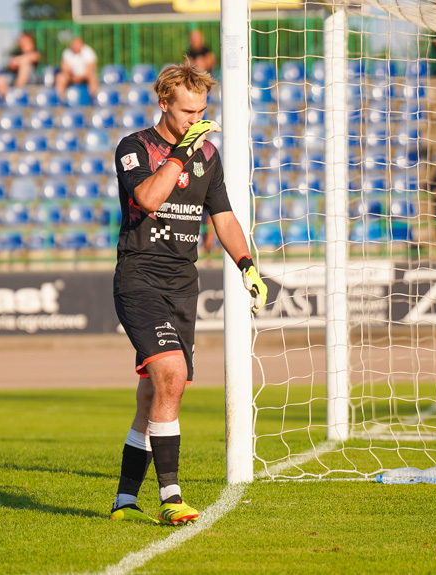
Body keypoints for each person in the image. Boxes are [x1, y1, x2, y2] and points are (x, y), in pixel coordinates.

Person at [109, 62, 267, 525]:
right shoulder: (134, 148)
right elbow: (150, 199)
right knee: (172, 373)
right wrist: (180, 151)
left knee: (152, 394)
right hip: (138, 277)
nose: (195, 120)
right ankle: (171, 497)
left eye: (202, 111)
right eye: (186, 111)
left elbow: (224, 217)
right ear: (164, 104)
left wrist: (247, 265)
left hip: (183, 283)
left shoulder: (207, 155)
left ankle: (124, 499)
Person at [0, 32, 41, 99]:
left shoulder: (35, 52)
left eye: (25, 41)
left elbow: (33, 57)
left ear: (31, 41)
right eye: (22, 42)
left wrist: (19, 60)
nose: (23, 43)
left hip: (31, 78)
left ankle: (17, 93)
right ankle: (6, 99)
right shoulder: (16, 53)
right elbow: (12, 65)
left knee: (25, 66)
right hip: (15, 77)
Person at [54, 37, 99, 101]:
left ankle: (94, 98)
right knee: (60, 77)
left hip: (85, 76)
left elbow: (90, 68)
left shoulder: (88, 51)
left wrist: (79, 78)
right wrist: (72, 76)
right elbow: (64, 68)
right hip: (71, 76)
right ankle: (60, 99)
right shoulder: (67, 52)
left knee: (93, 76)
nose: (75, 46)